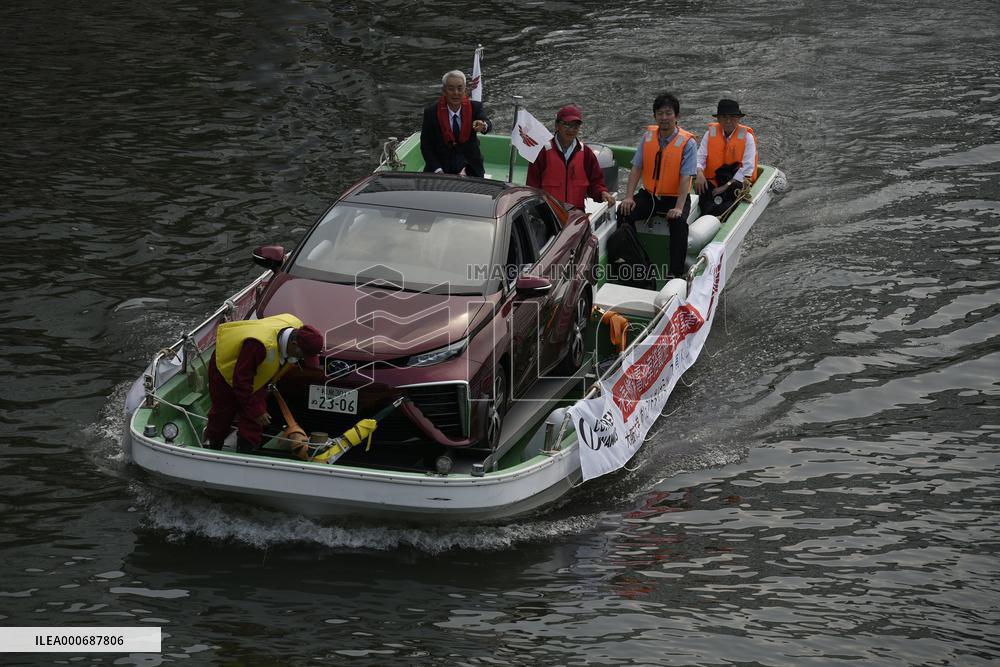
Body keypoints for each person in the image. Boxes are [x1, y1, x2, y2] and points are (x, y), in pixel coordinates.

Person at [205, 314, 324, 453]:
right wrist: (255, 410)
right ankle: (213, 447)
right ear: (293, 344)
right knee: (224, 412)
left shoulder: (297, 332)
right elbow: (241, 381)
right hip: (226, 370)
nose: (301, 359)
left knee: (256, 417)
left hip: (258, 371)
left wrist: (256, 411)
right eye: (302, 355)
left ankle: (246, 452)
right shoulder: (258, 346)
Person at [620, 92, 698, 279]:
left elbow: (686, 177)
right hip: (650, 195)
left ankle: (675, 273)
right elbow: (636, 168)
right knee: (624, 213)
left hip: (675, 197)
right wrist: (629, 196)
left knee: (679, 224)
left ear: (676, 116)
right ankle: (636, 263)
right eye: (660, 113)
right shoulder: (648, 138)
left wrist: (679, 207)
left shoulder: (688, 143)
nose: (664, 118)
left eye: (668, 113)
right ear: (655, 116)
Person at [526, 104, 616, 211]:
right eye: (567, 125)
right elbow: (532, 186)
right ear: (557, 125)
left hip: (576, 213)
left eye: (575, 126)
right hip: (549, 213)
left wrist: (602, 193)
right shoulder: (542, 152)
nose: (571, 130)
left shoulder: (586, 153)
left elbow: (595, 182)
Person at [420, 70, 493, 177]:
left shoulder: (475, 107)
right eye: (451, 89)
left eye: (460, 88)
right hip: (440, 169)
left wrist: (483, 125)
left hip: (471, 167)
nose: (456, 93)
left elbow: (487, 123)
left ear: (465, 90)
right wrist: (438, 171)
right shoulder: (431, 113)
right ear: (444, 90)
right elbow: (426, 146)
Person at [696, 98, 758, 217]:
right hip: (714, 179)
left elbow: (747, 169)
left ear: (738, 119)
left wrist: (725, 186)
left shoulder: (747, 137)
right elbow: (700, 157)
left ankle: (722, 215)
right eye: (724, 117)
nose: (728, 121)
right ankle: (705, 214)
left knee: (734, 191)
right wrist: (699, 173)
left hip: (734, 182)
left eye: (732, 117)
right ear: (718, 119)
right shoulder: (710, 134)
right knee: (701, 187)